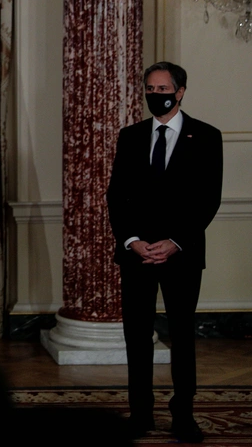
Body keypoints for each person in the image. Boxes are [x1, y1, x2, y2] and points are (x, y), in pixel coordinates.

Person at [107, 62, 223, 442]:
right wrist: (132, 240)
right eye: (150, 89)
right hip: (137, 253)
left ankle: (183, 415)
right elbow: (116, 197)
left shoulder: (206, 136)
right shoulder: (130, 136)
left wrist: (175, 242)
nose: (157, 95)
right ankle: (140, 412)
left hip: (182, 254)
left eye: (163, 88)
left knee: (182, 335)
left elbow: (208, 199)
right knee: (136, 337)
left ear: (181, 91)